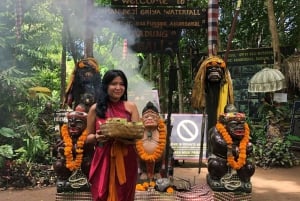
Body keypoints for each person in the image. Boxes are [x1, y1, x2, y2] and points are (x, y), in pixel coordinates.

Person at [85, 69, 140, 201]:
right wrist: (97, 137)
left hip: (126, 157)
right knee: (100, 194)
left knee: (124, 194)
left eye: (122, 84)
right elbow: (88, 138)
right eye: (113, 84)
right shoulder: (95, 108)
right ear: (106, 86)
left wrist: (123, 136)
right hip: (103, 156)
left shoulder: (131, 107)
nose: (118, 87)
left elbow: (137, 135)